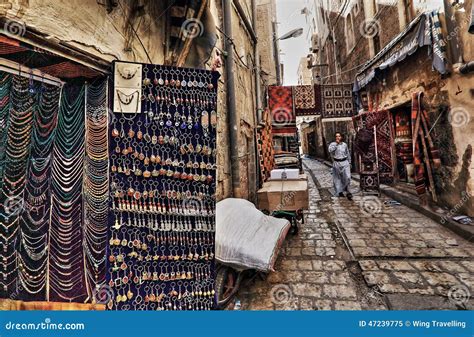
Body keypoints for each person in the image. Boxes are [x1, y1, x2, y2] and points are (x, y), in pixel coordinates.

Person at [328, 132, 353, 200]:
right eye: (336, 136)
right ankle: (340, 191)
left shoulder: (345, 144)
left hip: (345, 162)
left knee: (347, 177)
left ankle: (348, 192)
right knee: (337, 178)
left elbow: (347, 153)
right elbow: (330, 150)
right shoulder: (332, 144)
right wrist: (336, 144)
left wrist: (350, 162)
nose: (338, 137)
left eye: (339, 136)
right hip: (337, 163)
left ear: (341, 137)